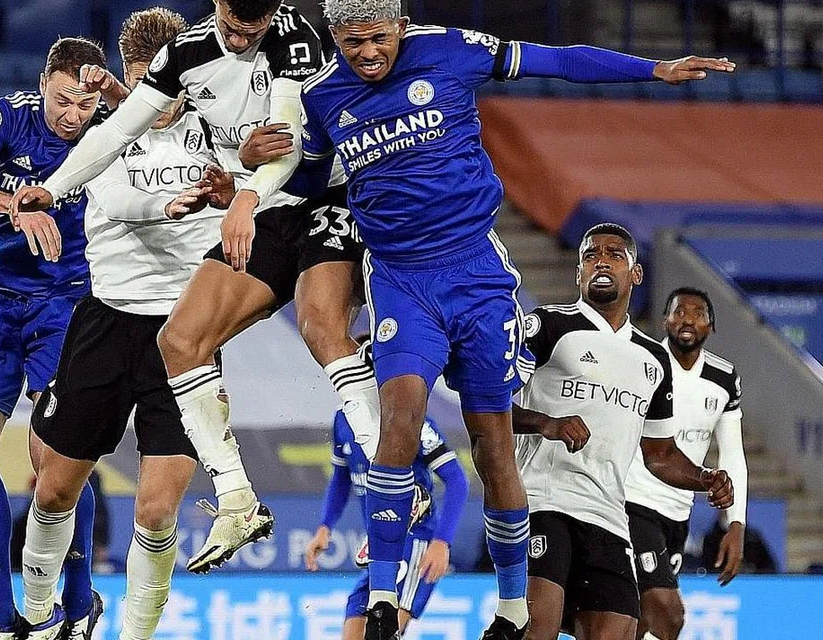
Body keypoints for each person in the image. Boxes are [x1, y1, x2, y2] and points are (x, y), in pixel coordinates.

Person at [294, 1, 734, 638]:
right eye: (351, 42)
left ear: (401, 27)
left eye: (378, 39)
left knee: (494, 447)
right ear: (334, 36)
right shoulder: (320, 96)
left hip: (476, 276)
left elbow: (559, 61)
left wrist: (653, 69)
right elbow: (309, 179)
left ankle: (511, 606)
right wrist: (249, 184)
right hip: (400, 280)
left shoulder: (450, 49)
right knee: (399, 419)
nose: (366, 54)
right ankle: (384, 596)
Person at [8, 0, 381, 575]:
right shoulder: (183, 60)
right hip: (221, 238)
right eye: (232, 27)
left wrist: (243, 191)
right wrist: (53, 189)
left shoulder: (292, 38)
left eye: (254, 29)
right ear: (216, 6)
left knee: (322, 327)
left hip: (323, 196)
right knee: (178, 344)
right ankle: (236, 499)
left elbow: (285, 140)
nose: (241, 39)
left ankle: (391, 473)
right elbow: (121, 131)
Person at [18, 8, 239, 640]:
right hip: (107, 322)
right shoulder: (107, 127)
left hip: (186, 333)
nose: (157, 96)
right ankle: (38, 617)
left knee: (158, 509)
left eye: (167, 79)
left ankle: (136, 635)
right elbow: (114, 198)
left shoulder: (220, 127)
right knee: (54, 491)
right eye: (143, 80)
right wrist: (171, 204)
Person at [0, 37, 123, 640]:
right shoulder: (10, 115)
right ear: (43, 86)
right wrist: (14, 205)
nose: (72, 116)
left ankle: (78, 601)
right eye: (63, 101)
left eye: (84, 105)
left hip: (66, 305)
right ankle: (0, 618)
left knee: (54, 464)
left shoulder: (113, 129)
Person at [515, 224, 735, 640]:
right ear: (578, 272)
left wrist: (705, 478)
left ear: (636, 274)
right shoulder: (547, 326)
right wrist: (546, 423)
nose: (601, 261)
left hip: (609, 518)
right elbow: (486, 402)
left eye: (614, 254)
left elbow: (660, 454)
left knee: (620, 631)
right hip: (544, 503)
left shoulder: (653, 358)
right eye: (590, 255)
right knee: (536, 628)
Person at [624, 288, 748, 640]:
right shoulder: (643, 364)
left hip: (678, 514)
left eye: (698, 313)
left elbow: (732, 455)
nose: (687, 319)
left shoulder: (724, 378)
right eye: (679, 312)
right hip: (631, 504)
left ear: (711, 325)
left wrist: (736, 524)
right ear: (665, 320)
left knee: (639, 620)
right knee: (669, 612)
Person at [306, 408, 469, 638]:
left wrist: (442, 541)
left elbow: (457, 479)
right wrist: (325, 527)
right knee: (354, 625)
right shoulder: (344, 419)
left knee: (384, 631)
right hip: (380, 549)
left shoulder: (412, 418)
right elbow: (341, 478)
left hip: (415, 543)